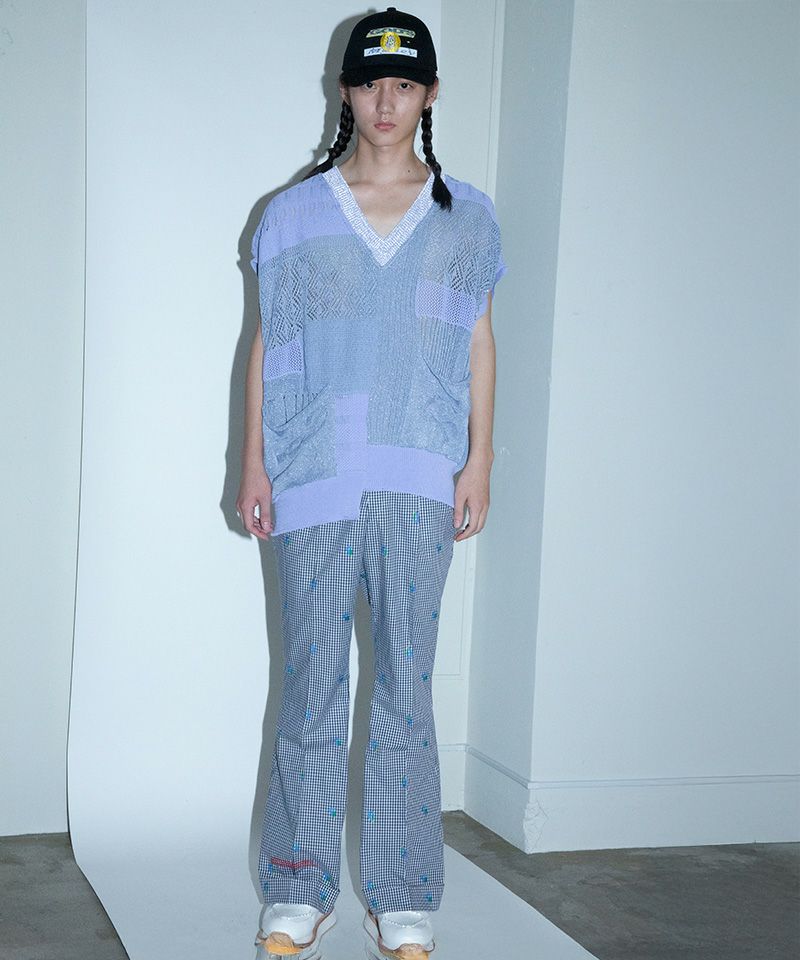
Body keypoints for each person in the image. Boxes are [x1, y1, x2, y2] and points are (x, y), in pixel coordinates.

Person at [237, 6, 507, 958]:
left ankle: (403, 895)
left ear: (429, 94)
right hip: (313, 474)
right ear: (344, 91)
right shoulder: (293, 214)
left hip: (420, 474)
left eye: (404, 84)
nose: (385, 102)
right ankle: (297, 888)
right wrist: (252, 460)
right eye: (368, 83)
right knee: (312, 689)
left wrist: (479, 457)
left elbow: (477, 341)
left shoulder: (467, 217)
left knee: (405, 695)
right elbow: (271, 341)